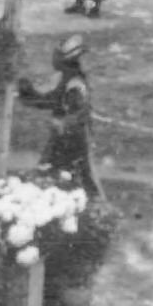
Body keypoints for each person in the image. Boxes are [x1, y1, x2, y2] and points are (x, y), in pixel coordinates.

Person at [16, 34, 100, 197]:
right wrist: (28, 94)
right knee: (71, 174)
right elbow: (52, 100)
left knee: (66, 174)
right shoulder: (69, 77)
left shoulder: (73, 81)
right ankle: (85, 204)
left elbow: (55, 102)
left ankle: (88, 206)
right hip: (68, 133)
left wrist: (28, 95)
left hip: (71, 135)